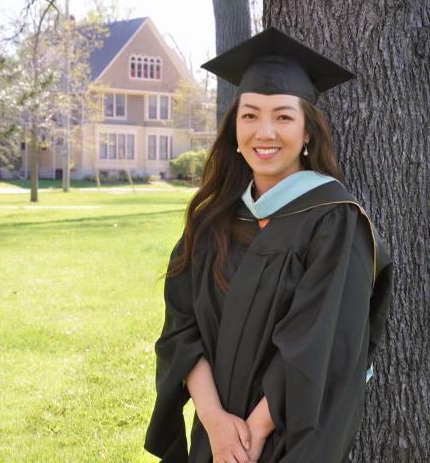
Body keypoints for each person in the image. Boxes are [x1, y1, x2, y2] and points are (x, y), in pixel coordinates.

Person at [144, 27, 393, 463]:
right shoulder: (211, 221)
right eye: (250, 115)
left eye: (283, 116)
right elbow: (181, 329)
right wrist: (217, 423)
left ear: (307, 132)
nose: (265, 132)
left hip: (290, 434)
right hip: (215, 434)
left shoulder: (334, 221)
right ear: (234, 130)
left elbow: (322, 343)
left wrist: (252, 433)